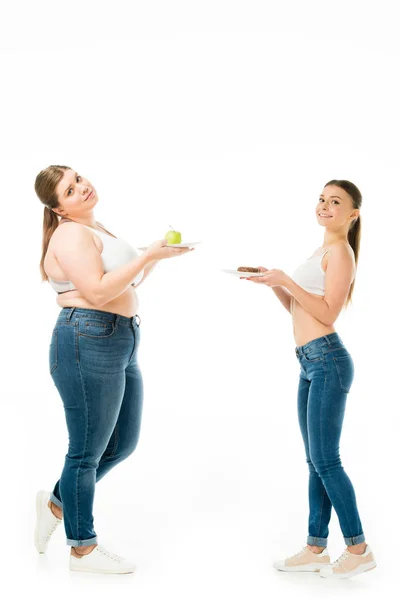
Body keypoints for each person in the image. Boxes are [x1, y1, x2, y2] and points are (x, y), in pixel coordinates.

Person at [33, 165, 193, 574]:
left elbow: (124, 285)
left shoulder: (96, 227)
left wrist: (154, 256)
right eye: (71, 190)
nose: (82, 187)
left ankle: (56, 501)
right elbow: (100, 291)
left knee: (122, 443)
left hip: (120, 338)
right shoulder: (70, 233)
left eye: (79, 179)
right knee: (85, 453)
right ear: (59, 208)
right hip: (87, 341)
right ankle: (82, 550)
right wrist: (148, 256)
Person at [244, 180, 376, 579]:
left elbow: (328, 313)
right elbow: (300, 309)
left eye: (335, 202)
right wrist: (274, 285)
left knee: (326, 460)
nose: (324, 205)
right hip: (308, 361)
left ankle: (358, 549)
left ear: (352, 214)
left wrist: (287, 280)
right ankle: (316, 547)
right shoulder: (321, 251)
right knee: (314, 460)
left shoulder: (341, 253)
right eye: (321, 198)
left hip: (328, 361)